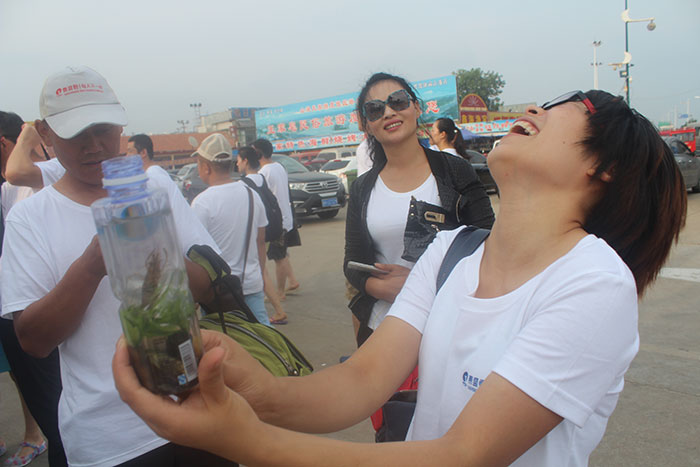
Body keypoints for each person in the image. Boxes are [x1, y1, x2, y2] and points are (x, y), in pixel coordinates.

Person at [113, 89, 687, 466]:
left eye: (570, 105)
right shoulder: (454, 249)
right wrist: (252, 385)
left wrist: (249, 440)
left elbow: (463, 455)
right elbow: (361, 380)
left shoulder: (593, 283)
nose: (537, 107)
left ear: (604, 165)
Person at [0, 66, 235, 467]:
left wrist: (159, 247)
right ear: (45, 133)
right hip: (109, 438)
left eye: (103, 128)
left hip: (196, 407)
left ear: (120, 125)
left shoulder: (156, 190)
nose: (94, 145)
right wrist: (92, 265)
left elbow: (216, 290)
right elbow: (33, 341)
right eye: (76, 132)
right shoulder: (30, 217)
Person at [344, 73, 495, 348]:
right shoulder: (362, 189)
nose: (389, 112)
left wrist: (419, 284)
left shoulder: (454, 171)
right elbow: (352, 262)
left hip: (451, 326)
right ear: (367, 125)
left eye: (398, 101)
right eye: (375, 109)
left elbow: (491, 246)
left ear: (416, 107)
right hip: (385, 328)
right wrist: (376, 286)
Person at [0, 111, 62, 466]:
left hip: (47, 311)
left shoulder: (50, 173)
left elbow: (16, 170)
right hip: (14, 313)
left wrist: (27, 135)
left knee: (58, 411)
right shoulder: (9, 190)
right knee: (39, 398)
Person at [191, 135, 271, 327]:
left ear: (206, 167)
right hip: (251, 284)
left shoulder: (201, 203)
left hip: (218, 294)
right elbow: (260, 241)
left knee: (226, 341)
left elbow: (196, 256)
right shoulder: (252, 195)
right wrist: (259, 274)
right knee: (262, 336)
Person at [236, 146, 287, 324]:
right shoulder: (261, 178)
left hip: (257, 231)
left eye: (238, 160)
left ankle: (279, 311)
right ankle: (278, 306)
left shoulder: (243, 185)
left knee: (261, 270)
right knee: (263, 269)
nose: (237, 164)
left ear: (245, 161)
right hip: (271, 227)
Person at [251, 138, 300, 305]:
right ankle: (292, 281)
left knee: (279, 257)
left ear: (258, 153)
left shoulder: (264, 173)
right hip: (286, 217)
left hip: (276, 221)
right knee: (282, 252)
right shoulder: (279, 166)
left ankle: (280, 292)